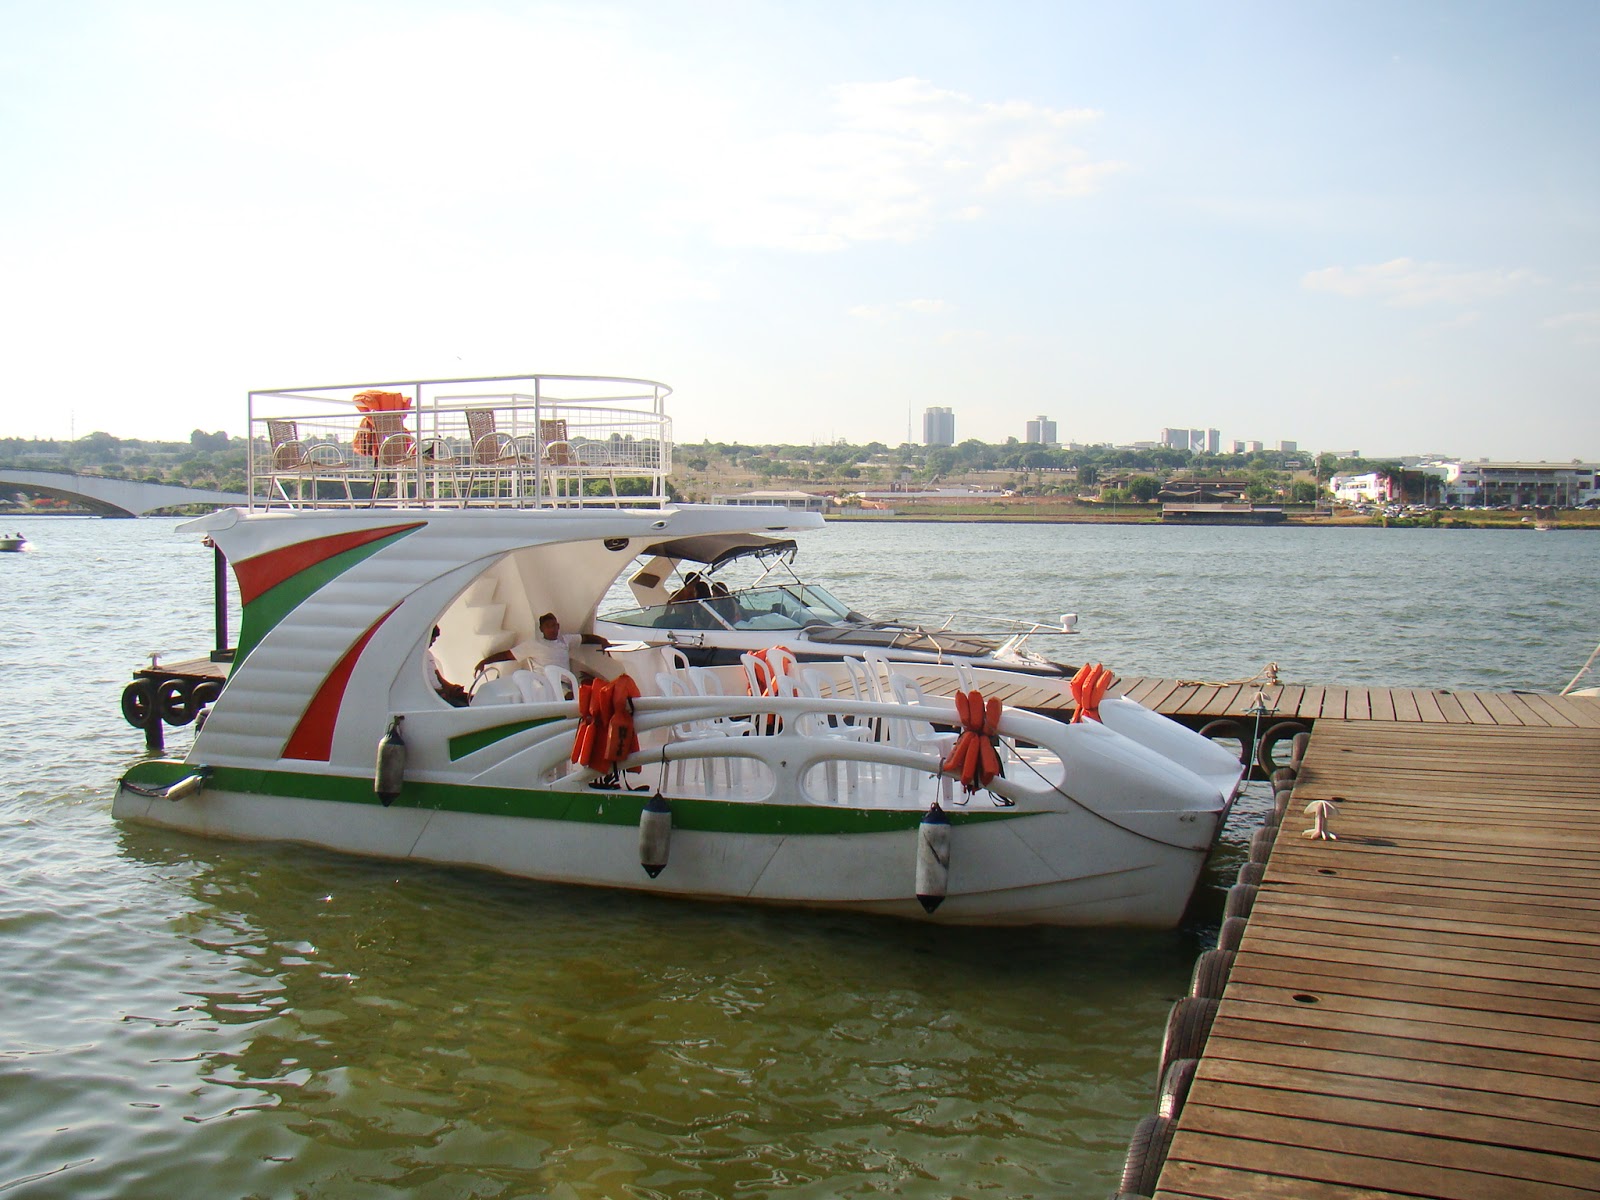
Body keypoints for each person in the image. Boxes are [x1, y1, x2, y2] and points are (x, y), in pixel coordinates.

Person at [477, 613, 611, 678]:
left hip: (565, 683)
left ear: (558, 626)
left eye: (554, 626)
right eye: (548, 627)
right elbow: (508, 655)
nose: (552, 629)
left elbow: (586, 638)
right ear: (541, 629)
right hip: (546, 684)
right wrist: (485, 662)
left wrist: (602, 641)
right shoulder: (533, 645)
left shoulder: (565, 640)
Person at [427, 626, 471, 707]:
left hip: (442, 693)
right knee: (464, 708)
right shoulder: (415, 659)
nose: (431, 645)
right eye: (430, 643)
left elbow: (439, 678)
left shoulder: (428, 655)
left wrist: (453, 687)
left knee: (471, 699)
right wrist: (442, 692)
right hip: (433, 697)